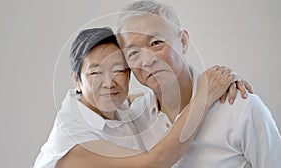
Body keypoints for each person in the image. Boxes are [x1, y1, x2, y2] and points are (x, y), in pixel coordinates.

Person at [34, 27, 250, 168]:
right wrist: (204, 94)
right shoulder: (71, 140)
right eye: (95, 73)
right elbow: (154, 162)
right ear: (76, 80)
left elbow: (139, 100)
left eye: (118, 70)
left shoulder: (120, 110)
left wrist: (221, 78)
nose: (109, 83)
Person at [115, 0, 281, 167]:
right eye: (134, 52)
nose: (147, 61)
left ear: (184, 41)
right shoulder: (134, 120)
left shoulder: (241, 108)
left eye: (156, 43)